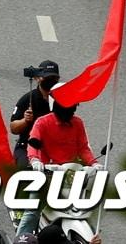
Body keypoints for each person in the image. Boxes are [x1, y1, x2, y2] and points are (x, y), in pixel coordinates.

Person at [15, 88, 96, 236]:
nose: (70, 111)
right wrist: (35, 160)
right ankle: (20, 239)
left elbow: (83, 148)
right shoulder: (42, 123)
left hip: (71, 174)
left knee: (85, 206)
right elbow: (33, 144)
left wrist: (93, 164)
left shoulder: (78, 123)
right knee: (33, 211)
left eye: (72, 107)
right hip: (48, 174)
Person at [8, 60, 59, 164]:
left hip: (54, 148)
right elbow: (13, 128)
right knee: (26, 172)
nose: (50, 81)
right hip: (27, 147)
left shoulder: (61, 99)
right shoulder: (27, 99)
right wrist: (25, 121)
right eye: (47, 78)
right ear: (37, 78)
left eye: (53, 78)